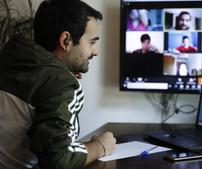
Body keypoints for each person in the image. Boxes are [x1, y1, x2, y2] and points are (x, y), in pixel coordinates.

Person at [0, 0, 116, 169]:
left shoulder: (11, 57)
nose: (96, 51)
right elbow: (57, 160)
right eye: (92, 42)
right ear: (66, 40)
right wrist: (100, 146)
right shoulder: (61, 83)